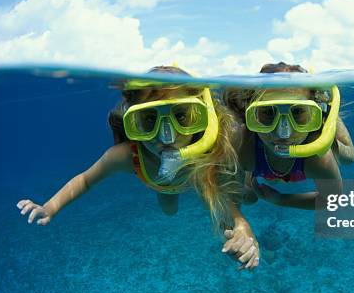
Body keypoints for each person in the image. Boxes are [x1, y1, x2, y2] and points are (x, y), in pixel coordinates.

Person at [16, 66, 260, 270]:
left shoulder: (206, 152)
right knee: (169, 209)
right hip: (161, 185)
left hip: (197, 179)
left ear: (201, 118)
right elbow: (85, 180)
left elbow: (220, 201)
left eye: (181, 117)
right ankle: (168, 192)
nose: (167, 136)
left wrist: (242, 227)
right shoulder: (125, 156)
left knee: (225, 191)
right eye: (150, 119)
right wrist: (50, 207)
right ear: (133, 121)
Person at [224, 62, 354, 209]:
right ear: (252, 114)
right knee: (249, 198)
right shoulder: (243, 146)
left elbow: (332, 200)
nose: (283, 133)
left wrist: (281, 199)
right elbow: (232, 195)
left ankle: (327, 112)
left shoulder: (319, 159)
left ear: (314, 113)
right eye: (268, 112)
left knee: (348, 158)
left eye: (298, 112)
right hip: (260, 157)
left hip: (306, 144)